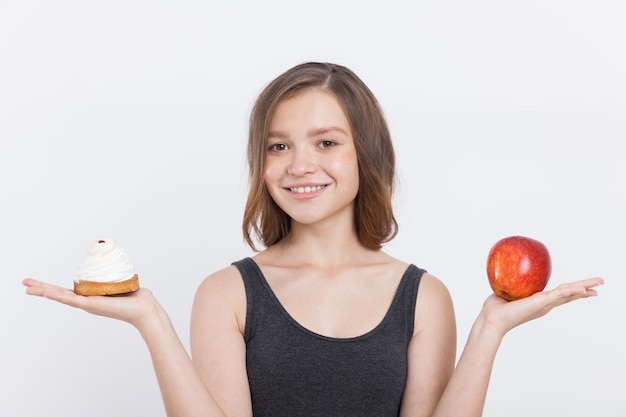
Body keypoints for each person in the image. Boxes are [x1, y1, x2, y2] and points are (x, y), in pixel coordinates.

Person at [23, 62, 604, 417]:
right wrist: (152, 321)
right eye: (279, 146)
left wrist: (489, 330)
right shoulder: (227, 293)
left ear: (365, 156)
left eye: (326, 143)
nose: (300, 165)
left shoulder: (423, 297)